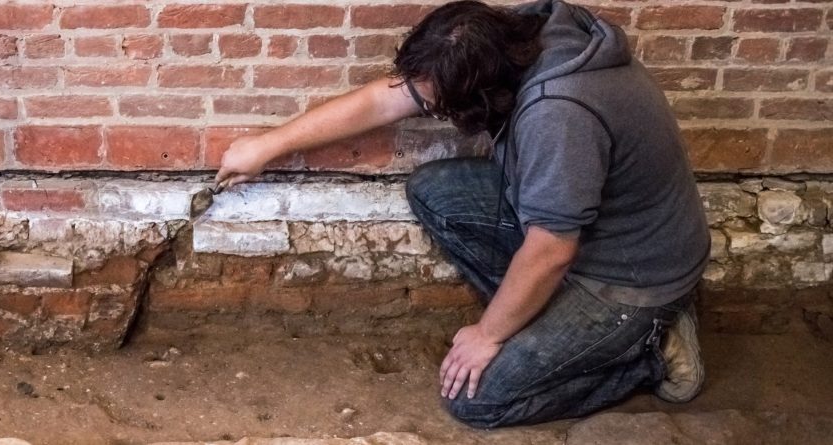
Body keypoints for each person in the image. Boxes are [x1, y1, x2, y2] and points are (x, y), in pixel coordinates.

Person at [213, 0, 709, 428]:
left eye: (436, 108)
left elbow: (552, 249)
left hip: (627, 277)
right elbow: (382, 101)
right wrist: (267, 145)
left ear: (482, 95)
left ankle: (647, 352)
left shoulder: (559, 114)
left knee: (475, 399)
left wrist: (488, 334)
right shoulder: (512, 39)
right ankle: (547, 324)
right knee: (437, 191)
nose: (426, 111)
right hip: (588, 229)